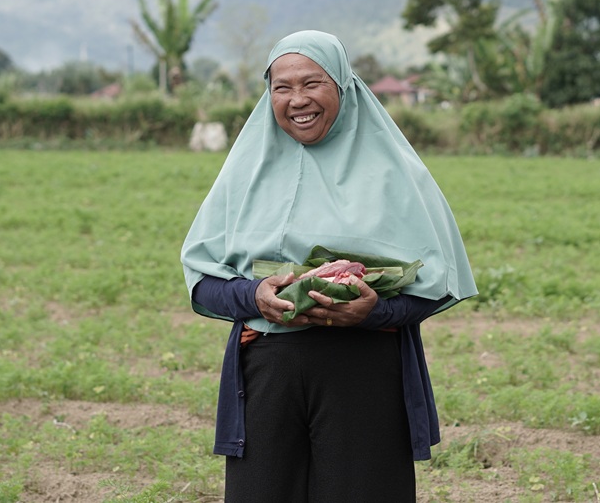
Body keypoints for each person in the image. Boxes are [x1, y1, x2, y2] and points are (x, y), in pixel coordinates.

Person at [181, 29, 477, 502]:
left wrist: (374, 310)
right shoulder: (247, 171)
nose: (297, 99)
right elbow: (203, 281)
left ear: (343, 85)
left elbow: (435, 284)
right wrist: (253, 296)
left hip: (364, 374)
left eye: (312, 83)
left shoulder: (393, 172)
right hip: (267, 374)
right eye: (282, 87)